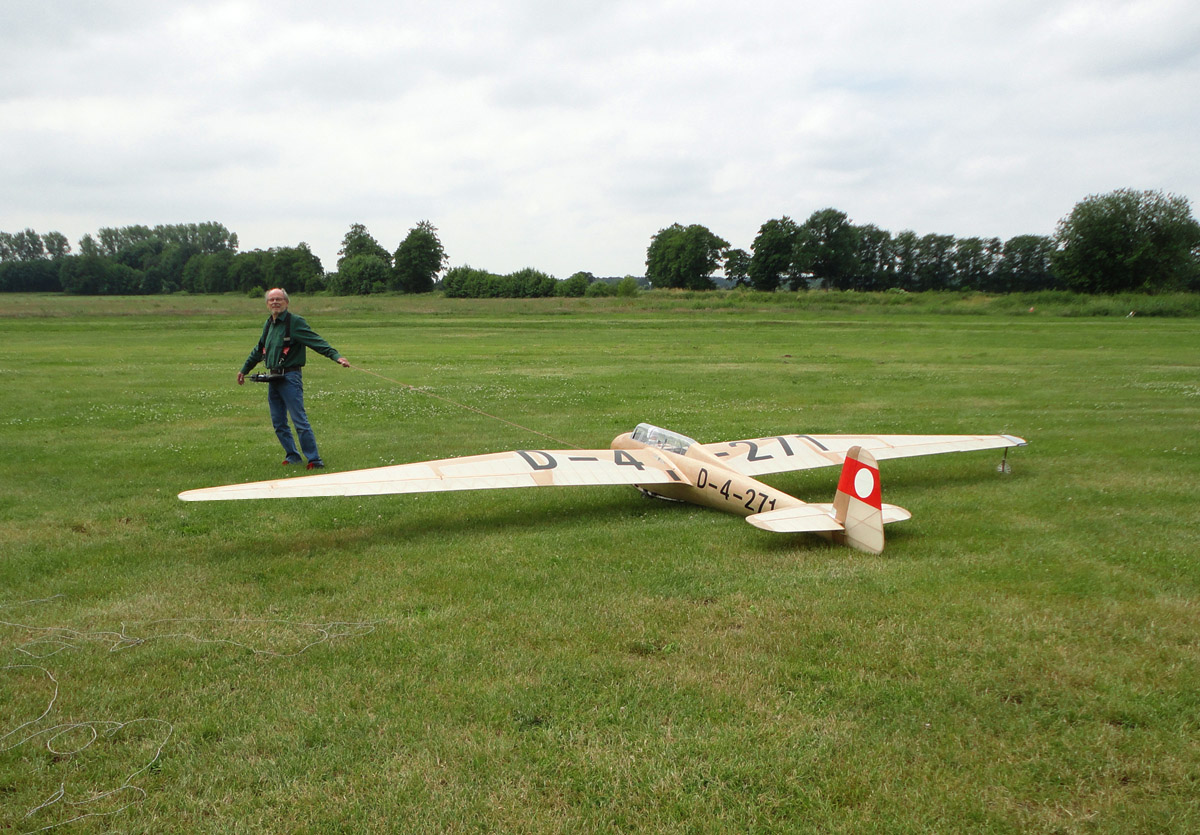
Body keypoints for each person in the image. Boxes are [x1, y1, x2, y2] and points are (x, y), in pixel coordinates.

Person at [238, 288, 350, 469]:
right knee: (278, 422)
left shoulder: (295, 322)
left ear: (286, 302)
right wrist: (244, 369)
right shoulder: (269, 323)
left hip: (290, 377)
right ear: (267, 304)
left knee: (299, 420)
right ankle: (292, 456)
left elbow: (316, 341)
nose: (275, 302)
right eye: (271, 300)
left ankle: (314, 460)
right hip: (273, 377)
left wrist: (336, 357)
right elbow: (259, 349)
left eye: (279, 299)